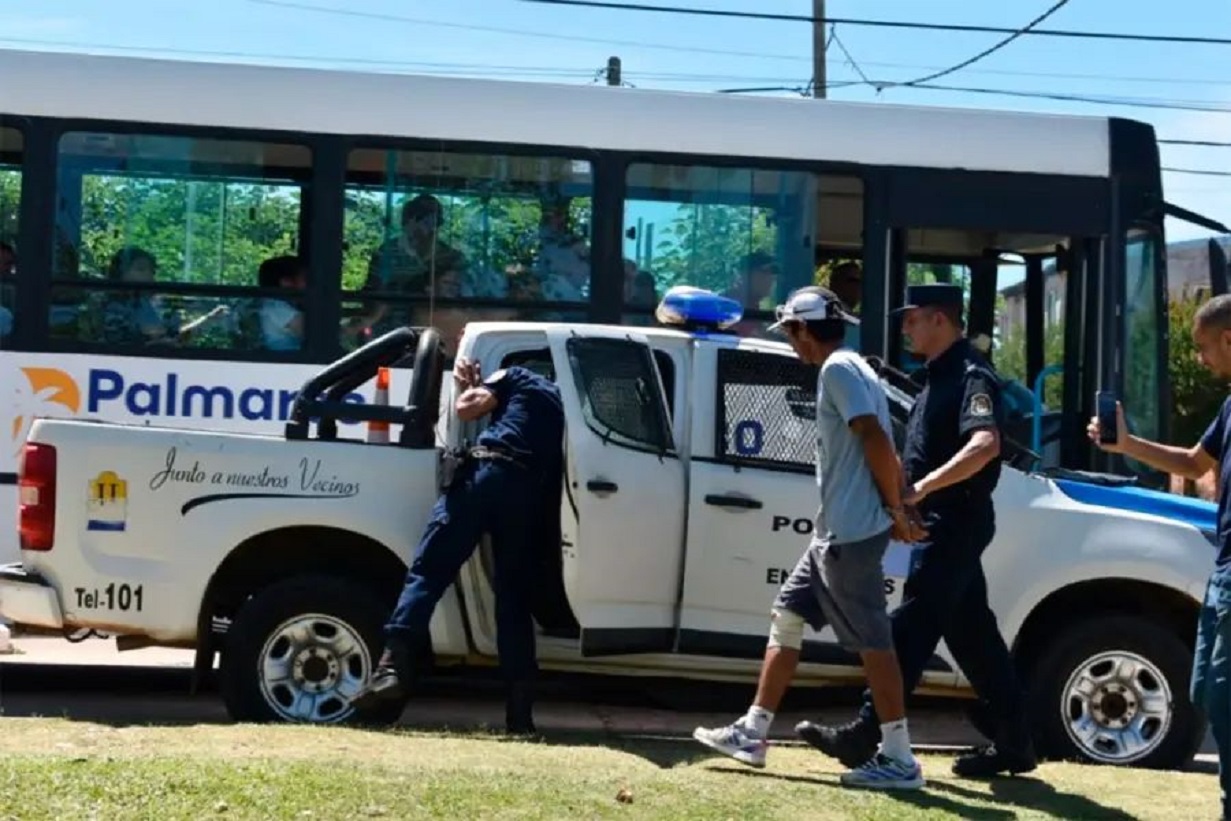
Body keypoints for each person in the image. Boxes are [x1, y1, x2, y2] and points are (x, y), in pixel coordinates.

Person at [795, 283, 1038, 778]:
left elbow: (985, 445)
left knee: (909, 627)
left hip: (954, 522)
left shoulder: (972, 376)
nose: (905, 327)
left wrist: (920, 490)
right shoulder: (935, 378)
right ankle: (1016, 742)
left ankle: (867, 735)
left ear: (940, 320)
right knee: (973, 636)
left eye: (913, 318)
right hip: (940, 521)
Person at [692, 285, 926, 790]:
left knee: (874, 643)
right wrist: (899, 504)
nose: (790, 342)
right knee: (788, 612)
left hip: (850, 533)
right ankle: (753, 732)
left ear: (803, 329)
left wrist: (895, 507)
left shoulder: (838, 369)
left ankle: (900, 758)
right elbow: (883, 443)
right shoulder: (854, 366)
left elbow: (875, 437)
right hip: (834, 532)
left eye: (790, 333)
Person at [348, 355, 565, 735]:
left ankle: (391, 668)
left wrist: (469, 387)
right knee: (513, 602)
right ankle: (520, 718)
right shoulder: (564, 405)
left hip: (486, 475)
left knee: (428, 574)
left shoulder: (516, 376)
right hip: (527, 495)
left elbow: (468, 409)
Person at [1087, 293, 1231, 816]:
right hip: (1223, 569)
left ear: (1229, 339)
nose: (1200, 359)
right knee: (1207, 691)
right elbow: (1194, 464)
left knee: (1225, 694)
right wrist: (1127, 444)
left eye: (1203, 347)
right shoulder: (1230, 407)